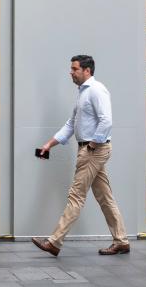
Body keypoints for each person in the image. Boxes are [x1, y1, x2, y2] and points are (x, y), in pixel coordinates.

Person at [32, 55, 129, 257]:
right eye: (72, 68)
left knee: (75, 196)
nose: (71, 72)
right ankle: (121, 241)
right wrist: (49, 144)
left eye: (75, 69)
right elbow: (71, 124)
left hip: (94, 150)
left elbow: (106, 120)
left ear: (87, 71)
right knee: (105, 197)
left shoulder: (96, 90)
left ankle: (54, 242)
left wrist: (92, 145)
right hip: (90, 149)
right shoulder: (83, 92)